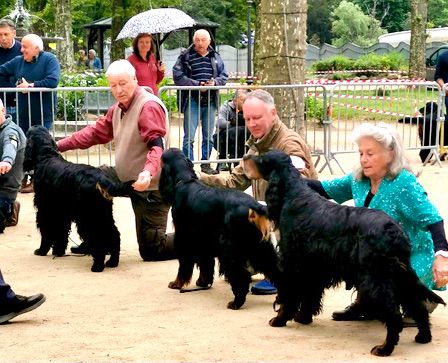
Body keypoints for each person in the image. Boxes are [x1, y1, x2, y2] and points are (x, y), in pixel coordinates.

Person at [305, 122, 448, 323]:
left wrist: (442, 256)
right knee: (350, 252)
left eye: (370, 153)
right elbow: (326, 188)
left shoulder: (404, 183)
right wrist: (290, 176)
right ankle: (366, 303)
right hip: (376, 250)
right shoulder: (358, 178)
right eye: (360, 153)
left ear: (390, 154)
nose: (363, 159)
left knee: (391, 279)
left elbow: (433, 219)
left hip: (409, 253)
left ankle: (421, 299)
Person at [201, 89, 318, 294]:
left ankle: (282, 269)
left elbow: (299, 187)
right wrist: (202, 180)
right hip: (268, 217)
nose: (252, 124)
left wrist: (266, 172)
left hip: (294, 220)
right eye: (247, 118)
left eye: (257, 117)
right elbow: (234, 180)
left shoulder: (290, 144)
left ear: (273, 113)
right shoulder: (257, 144)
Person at [57, 59, 176, 261]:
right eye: (113, 85)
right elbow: (94, 133)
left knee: (152, 251)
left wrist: (147, 172)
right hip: (123, 175)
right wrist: (58, 145)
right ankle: (94, 238)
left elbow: (157, 146)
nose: (118, 89)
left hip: (151, 186)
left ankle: (198, 238)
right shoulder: (118, 107)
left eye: (123, 83)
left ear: (135, 80)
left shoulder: (148, 106)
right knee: (88, 182)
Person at [0, 33, 60, 194]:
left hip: (43, 114)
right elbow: (2, 71)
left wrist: (31, 86)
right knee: (24, 147)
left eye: (25, 47)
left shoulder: (49, 59)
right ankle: (24, 178)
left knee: (40, 146)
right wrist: (12, 85)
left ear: (36, 48)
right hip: (22, 113)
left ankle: (37, 180)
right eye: (21, 47)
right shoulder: (18, 61)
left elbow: (53, 80)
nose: (21, 50)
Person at [173, 29, 228, 175]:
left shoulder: (216, 56)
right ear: (193, 40)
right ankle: (188, 166)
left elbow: (224, 76)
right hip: (191, 99)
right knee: (189, 136)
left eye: (203, 40)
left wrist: (214, 83)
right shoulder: (185, 56)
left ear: (209, 41)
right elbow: (178, 76)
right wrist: (197, 84)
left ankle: (205, 164)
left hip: (210, 100)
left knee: (208, 136)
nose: (200, 43)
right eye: (197, 40)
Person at [0, 97, 25, 231]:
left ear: (3, 110)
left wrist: (6, 161)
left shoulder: (10, 131)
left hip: (5, 187)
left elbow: (10, 146)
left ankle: (10, 209)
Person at [213, 89, 249, 172]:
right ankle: (225, 161)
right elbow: (219, 123)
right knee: (236, 131)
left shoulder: (247, 109)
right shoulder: (226, 106)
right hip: (221, 139)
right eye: (242, 100)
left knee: (244, 131)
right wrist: (233, 122)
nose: (245, 102)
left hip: (239, 140)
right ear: (234, 100)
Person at [0, 19, 21, 122]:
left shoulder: (22, 49)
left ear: (14, 33)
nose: (3, 38)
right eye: (0, 35)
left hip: (19, 102)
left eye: (6, 34)